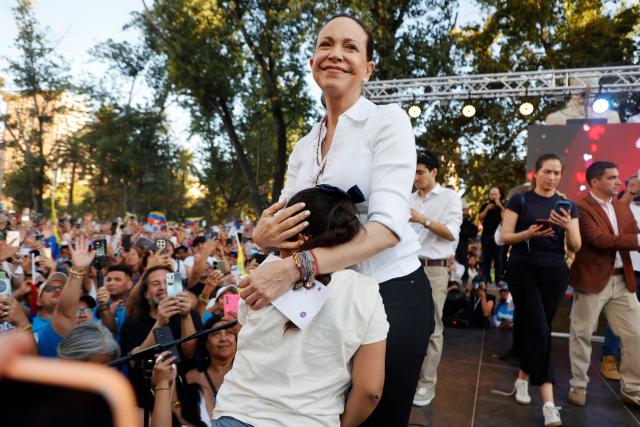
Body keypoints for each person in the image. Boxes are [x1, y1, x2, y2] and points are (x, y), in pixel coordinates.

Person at [239, 15, 433, 425]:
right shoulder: (303, 146)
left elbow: (387, 230)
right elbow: (284, 227)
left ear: (368, 67)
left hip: (390, 291)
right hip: (323, 298)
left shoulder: (388, 122)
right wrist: (263, 236)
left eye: (350, 47)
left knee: (374, 414)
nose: (336, 54)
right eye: (326, 45)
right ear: (312, 62)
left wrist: (294, 267)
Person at [212, 186, 389, 427]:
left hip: (238, 414)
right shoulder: (366, 292)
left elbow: (242, 341)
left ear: (291, 231)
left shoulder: (262, 278)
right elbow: (370, 390)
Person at [499, 153, 581, 426]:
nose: (553, 177)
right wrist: (529, 234)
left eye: (557, 173)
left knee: (540, 328)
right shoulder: (520, 199)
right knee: (540, 329)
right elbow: (504, 237)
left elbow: (576, 246)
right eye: (548, 172)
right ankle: (548, 402)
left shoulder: (568, 205)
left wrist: (568, 226)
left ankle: (522, 379)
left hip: (555, 271)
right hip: (523, 269)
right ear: (536, 173)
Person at [568, 161, 640, 408]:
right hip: (591, 278)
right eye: (612, 178)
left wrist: (632, 238)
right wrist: (634, 240)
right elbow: (598, 240)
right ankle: (578, 384)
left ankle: (632, 389)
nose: (618, 182)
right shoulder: (580, 207)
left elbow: (634, 233)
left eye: (618, 177)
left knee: (636, 334)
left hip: (623, 280)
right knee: (582, 334)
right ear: (595, 181)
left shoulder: (622, 208)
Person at [409, 150, 462, 406]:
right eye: (413, 172)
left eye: (419, 172)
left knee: (432, 328)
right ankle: (406, 378)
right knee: (405, 325)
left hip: (435, 269)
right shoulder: (408, 198)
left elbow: (451, 233)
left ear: (434, 172)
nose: (415, 177)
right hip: (406, 266)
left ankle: (427, 384)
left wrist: (421, 219)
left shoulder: (449, 197)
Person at [120, 264, 202, 407]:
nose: (162, 287)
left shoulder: (191, 315)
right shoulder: (132, 324)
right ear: (146, 293)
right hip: (148, 400)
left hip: (187, 398)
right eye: (155, 284)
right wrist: (160, 323)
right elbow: (134, 361)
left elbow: (190, 353)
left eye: (167, 282)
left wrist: (186, 316)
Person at [600, 175, 640, 380]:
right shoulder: (621, 206)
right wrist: (632, 192)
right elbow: (618, 209)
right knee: (619, 318)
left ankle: (632, 364)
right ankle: (609, 358)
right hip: (627, 269)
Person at [185, 317, 238, 424]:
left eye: (229, 333)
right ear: (206, 343)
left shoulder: (249, 374)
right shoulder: (192, 377)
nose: (223, 339)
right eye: (216, 334)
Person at [478, 187, 505, 282]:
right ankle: (486, 278)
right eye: (491, 194)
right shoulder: (485, 205)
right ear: (489, 195)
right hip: (486, 235)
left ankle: (499, 279)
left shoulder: (504, 205)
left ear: (500, 195)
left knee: (498, 258)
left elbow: (506, 219)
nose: (493, 196)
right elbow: (480, 218)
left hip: (499, 236)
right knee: (486, 258)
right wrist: (486, 209)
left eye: (495, 194)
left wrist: (500, 206)